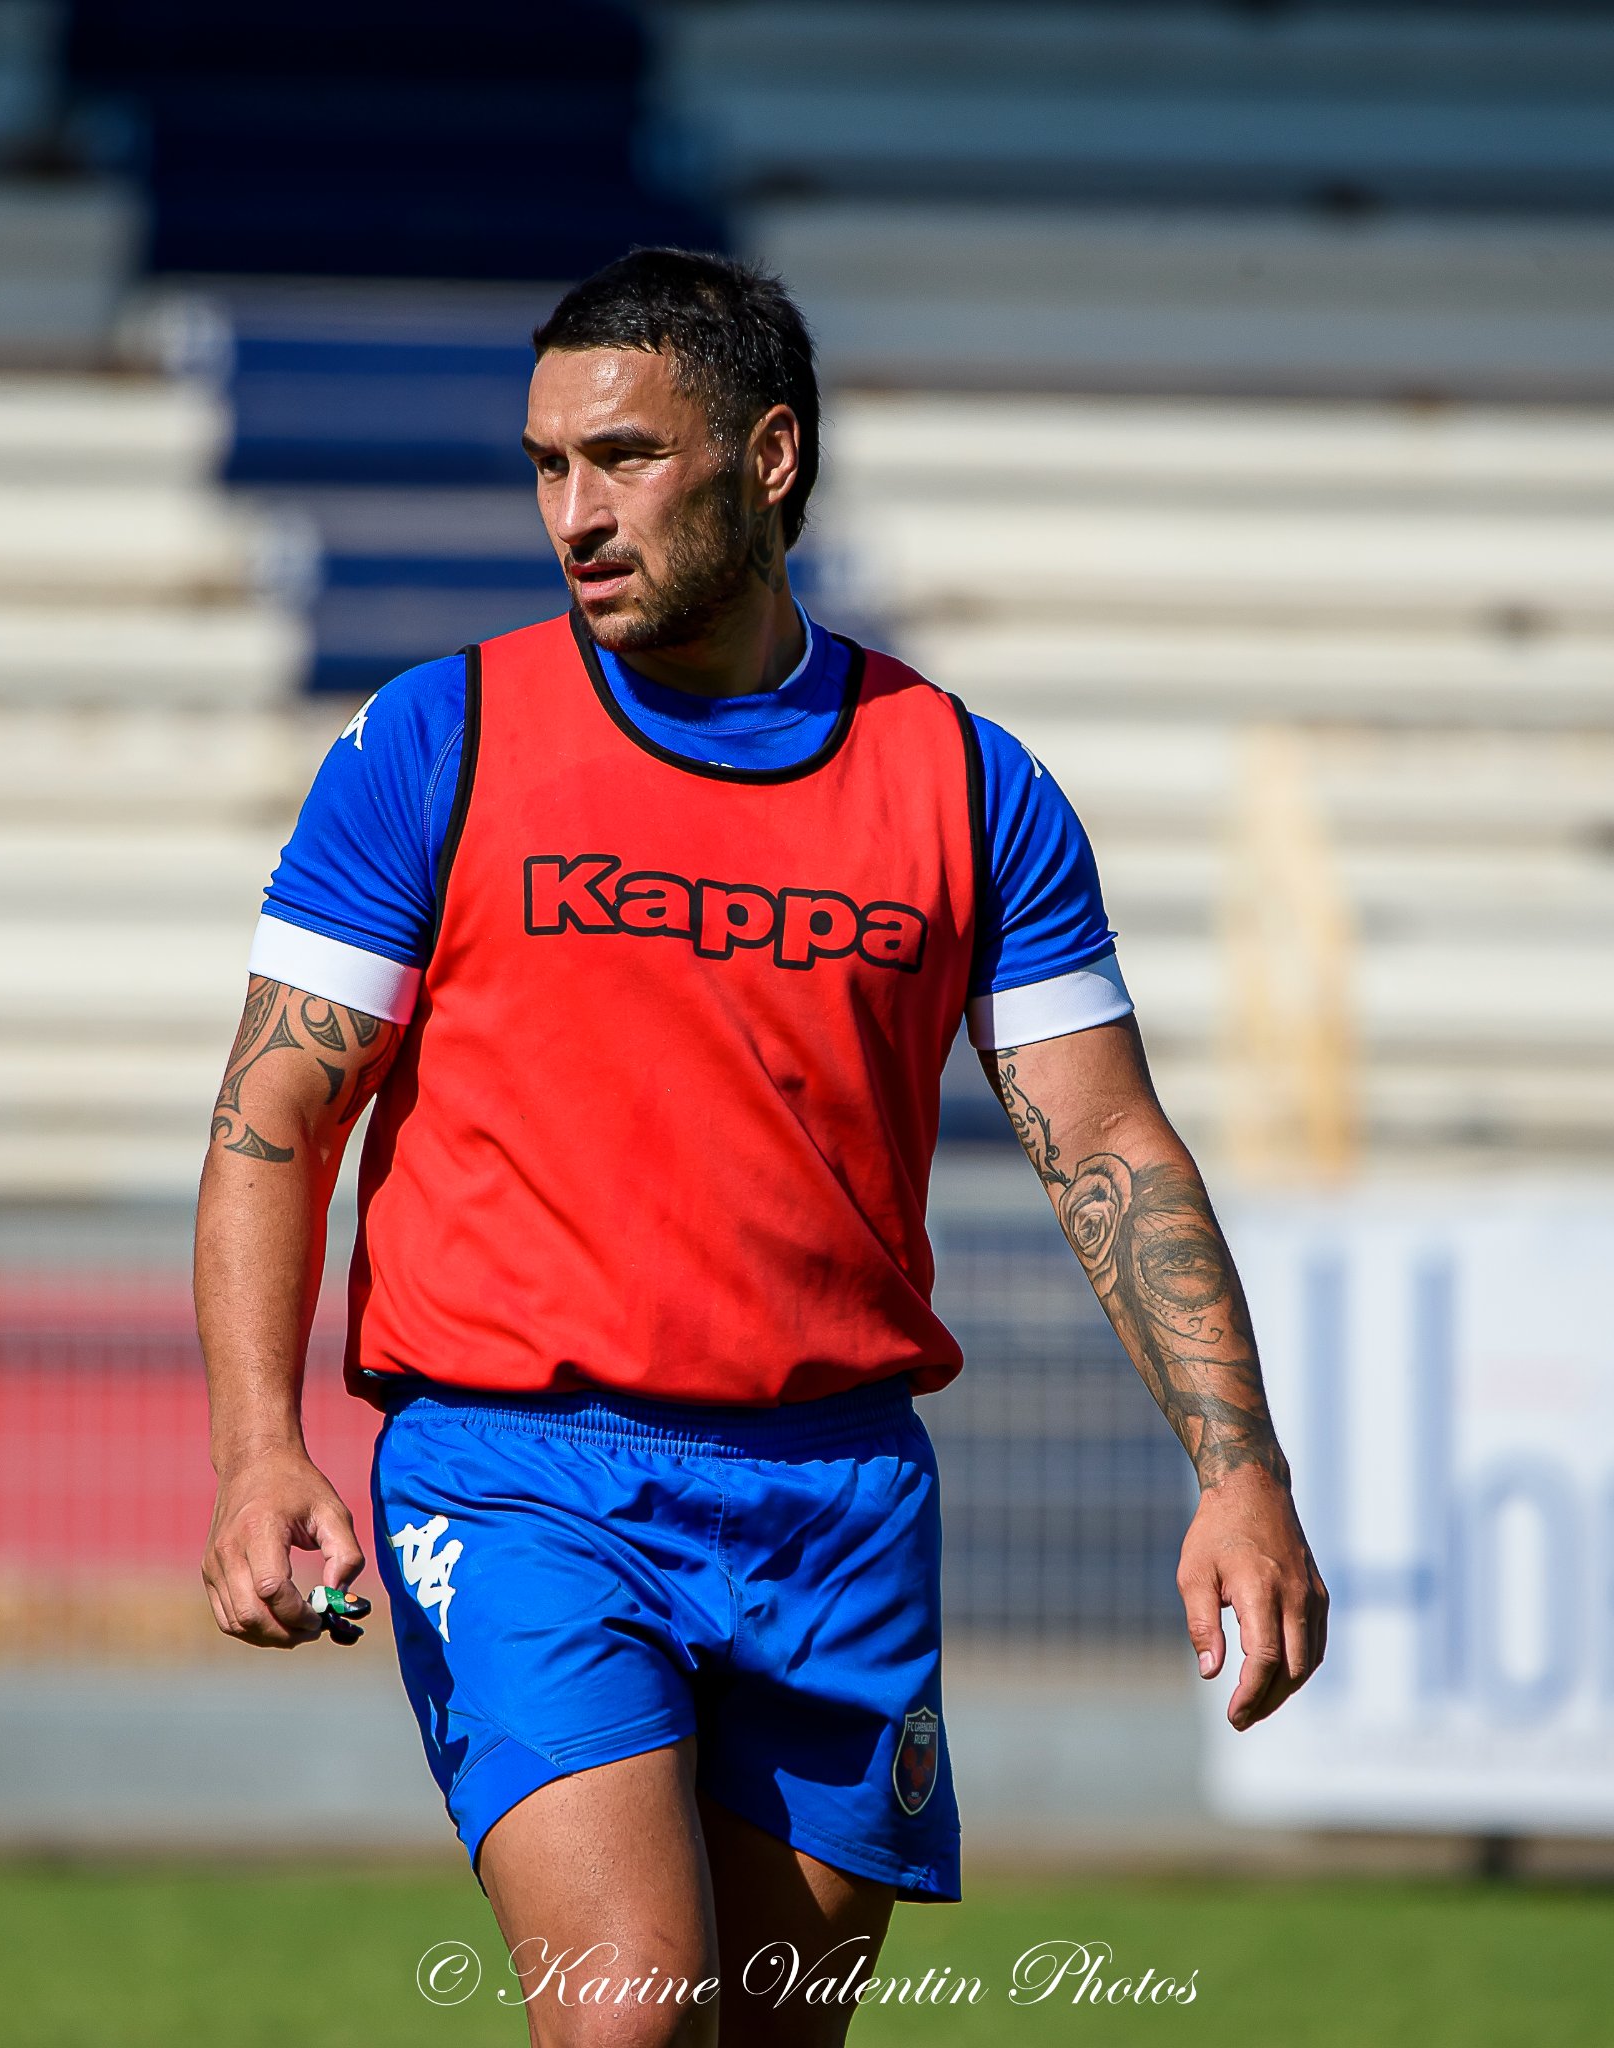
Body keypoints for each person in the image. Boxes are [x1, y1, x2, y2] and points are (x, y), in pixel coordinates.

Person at [197, 248, 1326, 2046]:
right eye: (548, 464)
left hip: (836, 1498)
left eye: (626, 457)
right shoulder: (440, 740)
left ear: (770, 456)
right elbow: (278, 1110)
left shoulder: (966, 784)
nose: (574, 511)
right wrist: (262, 1447)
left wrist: (1241, 1470)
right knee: (634, 2010)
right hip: (521, 1470)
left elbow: (1108, 1141)